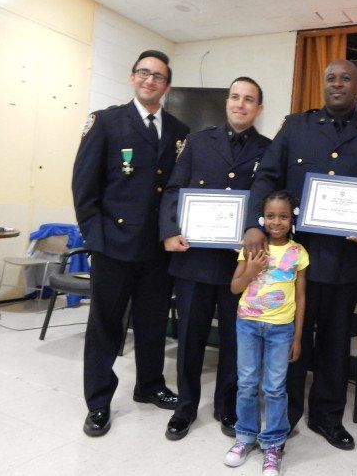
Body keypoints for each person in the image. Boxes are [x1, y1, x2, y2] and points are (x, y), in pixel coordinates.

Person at [243, 59, 357, 450]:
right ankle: (287, 414)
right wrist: (253, 223)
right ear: (323, 84)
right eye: (331, 78)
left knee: (334, 343)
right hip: (294, 263)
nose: (338, 84)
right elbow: (266, 176)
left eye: (346, 78)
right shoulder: (296, 127)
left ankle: (327, 418)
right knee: (290, 341)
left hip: (347, 262)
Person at [72, 50, 189, 437]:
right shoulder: (106, 121)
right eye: (144, 73)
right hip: (114, 246)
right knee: (105, 325)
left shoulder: (177, 130)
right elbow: (84, 186)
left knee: (153, 323)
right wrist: (95, 237)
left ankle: (150, 385)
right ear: (132, 77)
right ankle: (99, 401)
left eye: (158, 76)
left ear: (166, 85)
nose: (150, 81)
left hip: (157, 249)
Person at [159, 77, 271, 440]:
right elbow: (174, 189)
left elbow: (270, 202)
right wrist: (169, 231)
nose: (240, 104)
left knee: (235, 342)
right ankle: (185, 407)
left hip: (240, 264)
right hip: (194, 259)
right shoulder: (196, 141)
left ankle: (227, 407)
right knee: (190, 338)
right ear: (228, 102)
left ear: (259, 108)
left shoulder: (269, 149)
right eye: (235, 97)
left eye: (249, 99)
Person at [224, 190, 308, 476]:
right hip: (247, 324)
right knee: (247, 382)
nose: (276, 222)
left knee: (274, 387)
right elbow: (236, 287)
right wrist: (252, 270)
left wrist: (297, 337)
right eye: (270, 216)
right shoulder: (251, 247)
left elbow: (301, 297)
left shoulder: (298, 253)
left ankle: (273, 444)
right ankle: (245, 436)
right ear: (262, 218)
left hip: (281, 329)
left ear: (292, 218)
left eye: (283, 216)